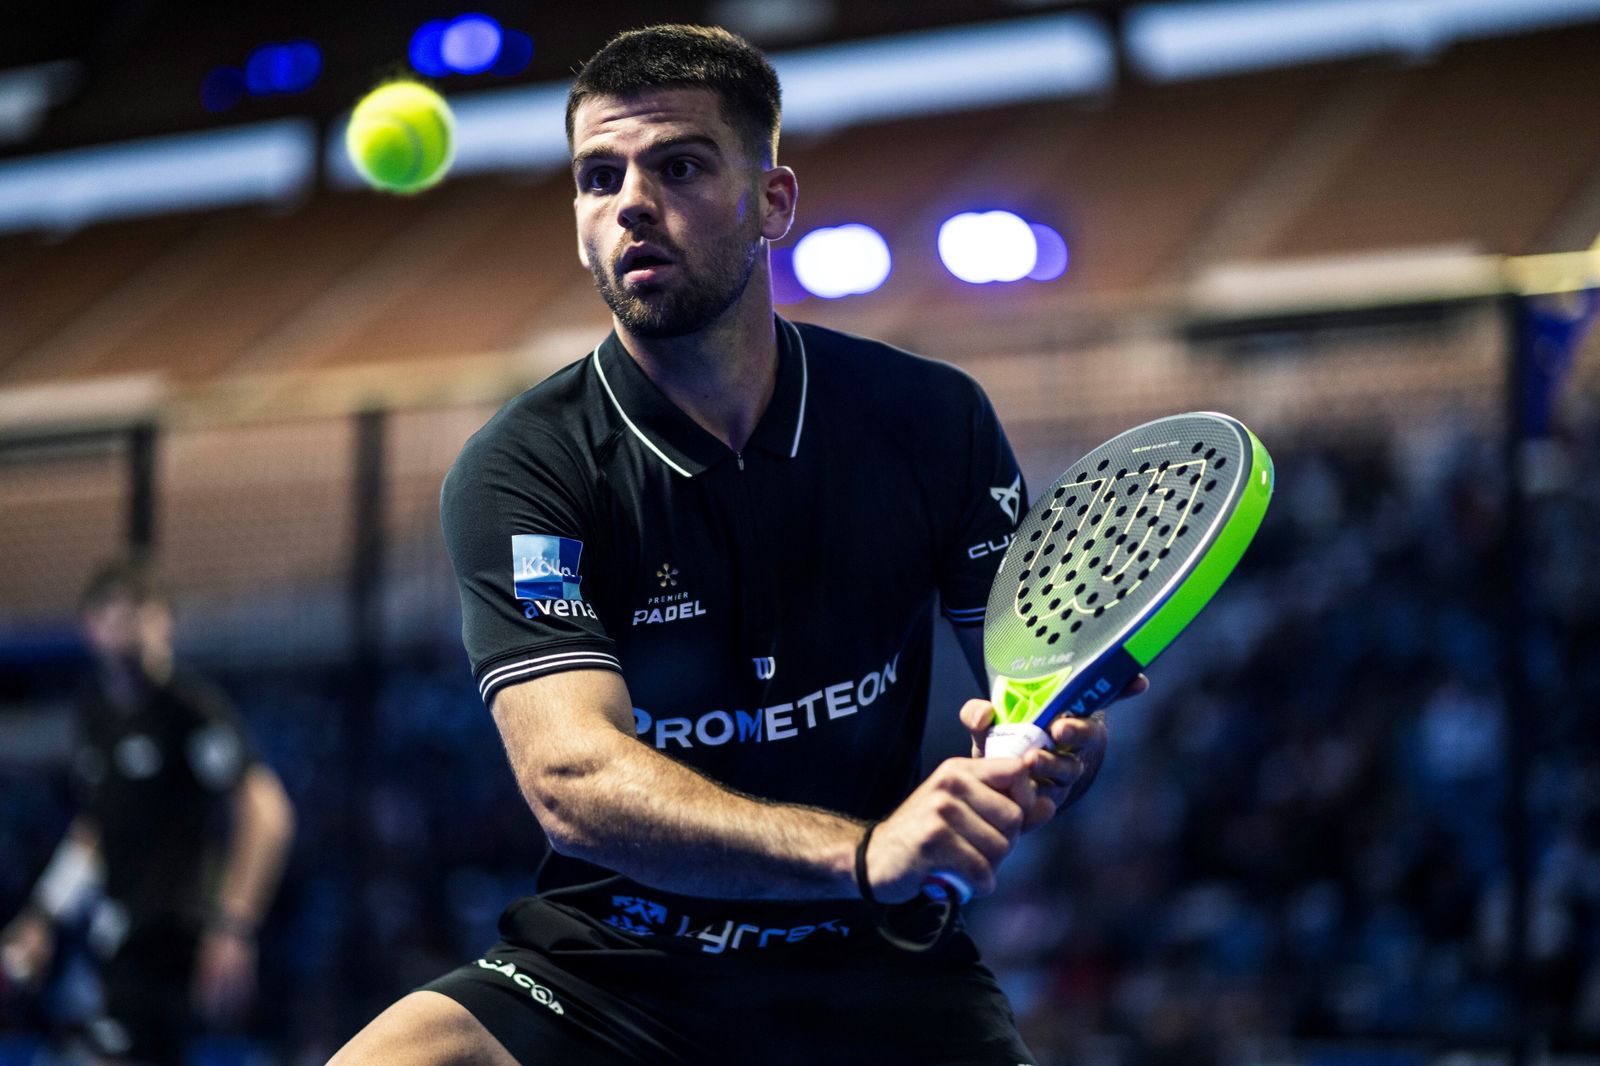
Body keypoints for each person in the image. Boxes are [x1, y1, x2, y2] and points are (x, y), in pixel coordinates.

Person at [331, 24, 1135, 1065]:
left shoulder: (930, 419)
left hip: (875, 965)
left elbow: (1040, 689)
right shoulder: (522, 466)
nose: (629, 201)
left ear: (773, 202)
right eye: (596, 175)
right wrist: (863, 851)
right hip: (612, 969)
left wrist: (1059, 752)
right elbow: (571, 776)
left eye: (676, 164)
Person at [0, 558, 295, 1064]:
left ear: (166, 623)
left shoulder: (190, 711)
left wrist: (233, 927)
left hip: (169, 946)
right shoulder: (94, 714)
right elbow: (96, 827)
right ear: (89, 628)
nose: (127, 626)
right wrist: (43, 917)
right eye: (111, 613)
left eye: (141, 612)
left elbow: (267, 811)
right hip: (112, 941)